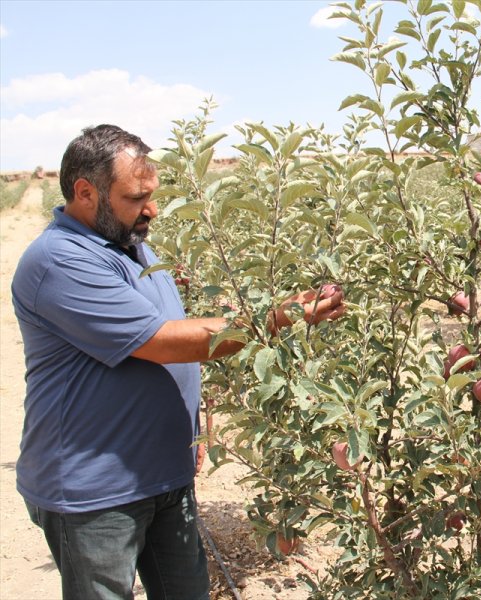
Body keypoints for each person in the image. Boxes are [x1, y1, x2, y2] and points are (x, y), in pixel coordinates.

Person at [11, 124, 345, 600]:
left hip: (165, 473)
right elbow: (165, 341)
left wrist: (195, 426)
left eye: (153, 194)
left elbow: (177, 331)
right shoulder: (58, 261)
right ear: (85, 192)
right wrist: (280, 316)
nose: (151, 209)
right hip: (96, 494)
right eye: (135, 197)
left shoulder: (131, 246)